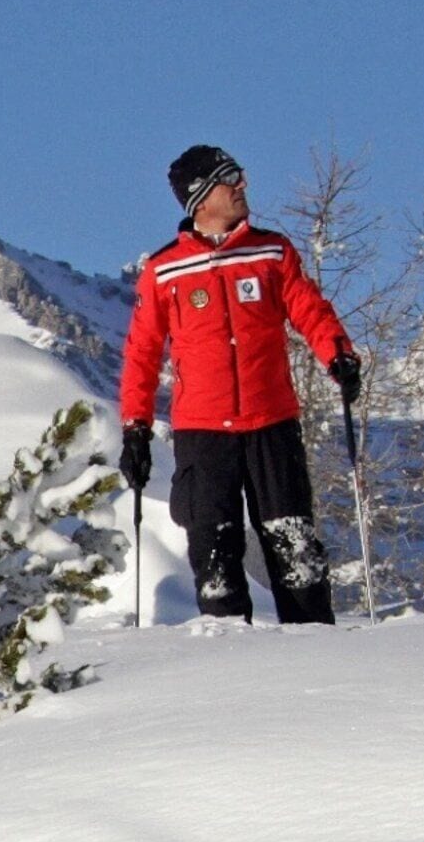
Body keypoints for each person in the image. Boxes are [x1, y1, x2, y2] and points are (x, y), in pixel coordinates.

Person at [118, 145, 363, 624]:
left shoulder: (271, 251)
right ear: (201, 195)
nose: (243, 185)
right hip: (203, 435)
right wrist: (135, 428)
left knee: (297, 555)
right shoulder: (164, 270)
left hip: (272, 424)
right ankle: (229, 658)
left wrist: (338, 355)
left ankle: (316, 649)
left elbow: (309, 308)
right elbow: (141, 354)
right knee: (216, 563)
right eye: (231, 178)